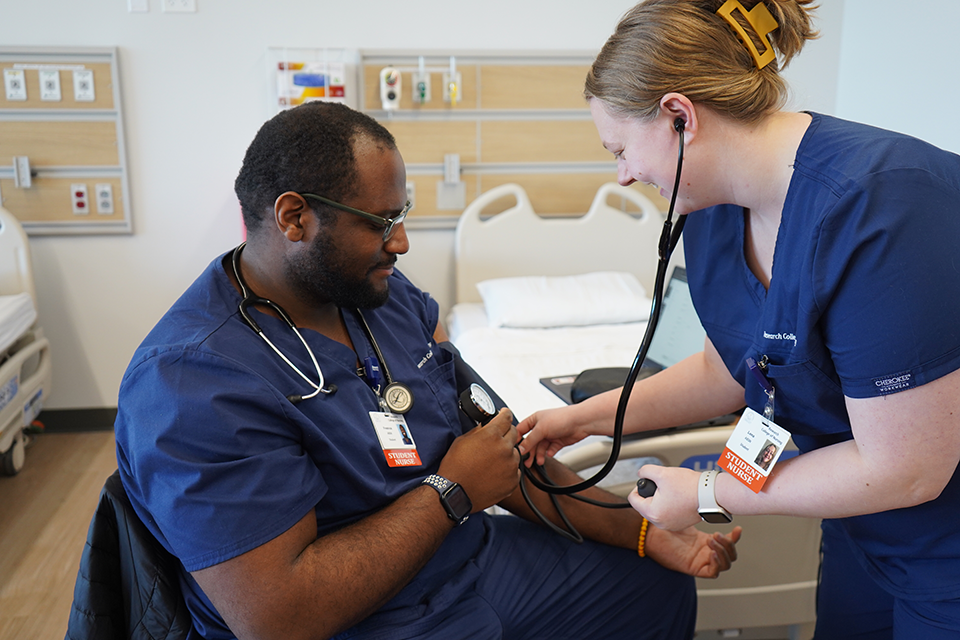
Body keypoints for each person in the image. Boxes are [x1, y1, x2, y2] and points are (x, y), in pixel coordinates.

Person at [114, 100, 740, 640]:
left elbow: (501, 450)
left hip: (462, 561)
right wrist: (450, 493)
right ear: (293, 218)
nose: (402, 241)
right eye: (380, 223)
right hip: (360, 618)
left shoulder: (379, 296)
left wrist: (641, 532)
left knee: (652, 586)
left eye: (402, 214)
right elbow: (281, 617)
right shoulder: (192, 383)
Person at [517, 1, 960, 638]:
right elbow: (728, 367)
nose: (622, 176)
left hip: (943, 538)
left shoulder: (886, 206)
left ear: (678, 115)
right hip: (864, 526)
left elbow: (908, 467)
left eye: (619, 148)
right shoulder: (715, 206)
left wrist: (706, 493)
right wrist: (582, 419)